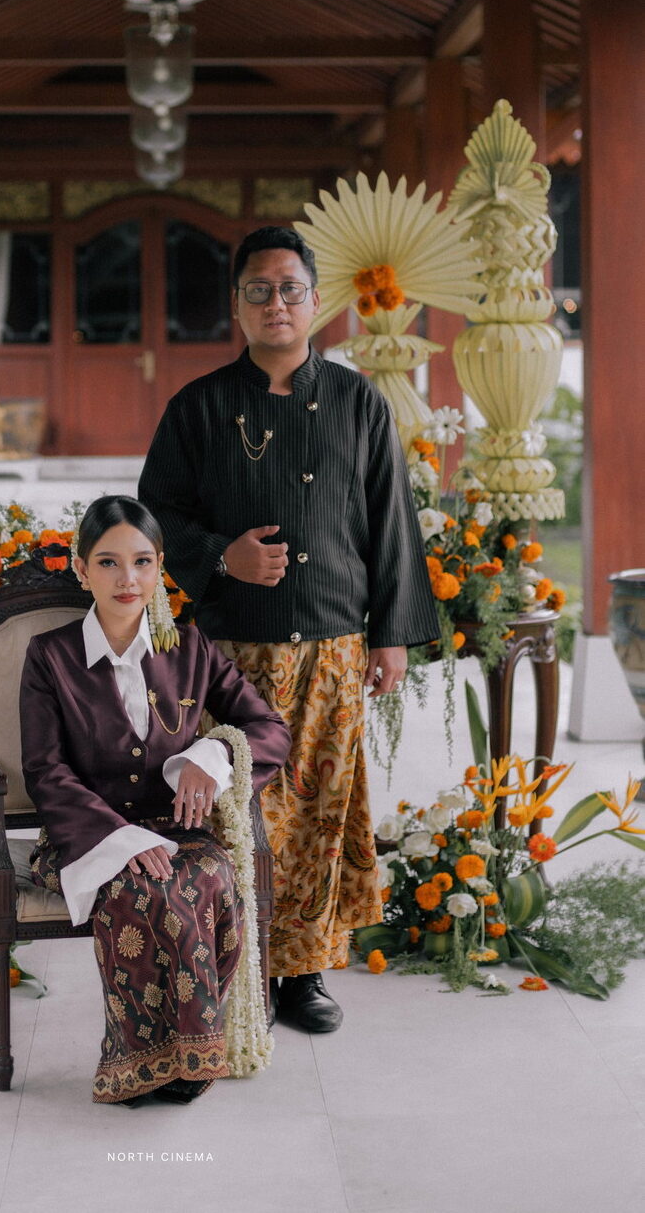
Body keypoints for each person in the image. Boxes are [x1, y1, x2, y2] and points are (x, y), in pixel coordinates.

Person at [139, 225, 439, 1033]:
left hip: (332, 650)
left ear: (316, 302)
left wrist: (390, 634)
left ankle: (301, 977)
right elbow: (154, 515)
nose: (276, 303)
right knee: (233, 816)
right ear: (237, 304)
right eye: (259, 290)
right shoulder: (198, 407)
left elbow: (391, 520)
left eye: (290, 289)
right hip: (229, 656)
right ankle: (229, 970)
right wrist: (220, 556)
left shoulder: (356, 401)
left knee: (316, 819)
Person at [19, 495, 289, 1106]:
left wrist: (211, 754)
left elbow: (270, 730)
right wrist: (121, 840)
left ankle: (193, 1057)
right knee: (141, 887)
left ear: (160, 567)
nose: (128, 578)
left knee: (208, 876)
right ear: (82, 569)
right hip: (86, 836)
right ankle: (139, 1063)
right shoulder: (51, 656)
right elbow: (45, 771)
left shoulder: (189, 648)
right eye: (108, 562)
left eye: (142, 561)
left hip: (180, 830)